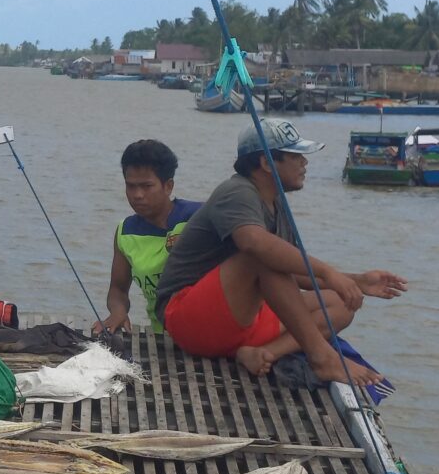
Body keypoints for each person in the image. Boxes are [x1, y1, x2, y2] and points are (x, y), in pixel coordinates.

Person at [158, 119, 405, 389]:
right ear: (267, 163)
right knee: (262, 255)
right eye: (296, 156)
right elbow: (255, 245)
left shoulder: (277, 203)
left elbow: (293, 273)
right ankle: (321, 357)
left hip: (237, 323)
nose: (304, 163)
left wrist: (357, 281)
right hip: (188, 320)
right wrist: (328, 272)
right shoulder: (236, 192)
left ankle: (264, 353)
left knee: (340, 304)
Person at [92, 138, 199, 337]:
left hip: (206, 329)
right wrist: (118, 312)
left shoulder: (198, 218)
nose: (137, 195)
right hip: (164, 336)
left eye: (146, 186)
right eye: (130, 186)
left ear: (168, 186)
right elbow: (118, 289)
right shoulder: (126, 232)